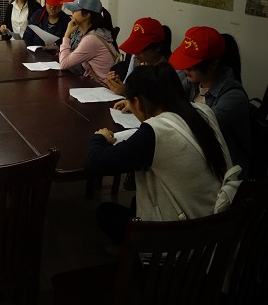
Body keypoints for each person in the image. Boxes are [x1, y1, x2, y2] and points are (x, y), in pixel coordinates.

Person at [87, 62, 232, 243]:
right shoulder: (203, 111)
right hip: (219, 223)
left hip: (182, 240)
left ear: (138, 102)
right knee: (135, 202)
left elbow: (95, 162)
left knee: (105, 213)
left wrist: (99, 138)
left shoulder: (154, 132)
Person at [169, 26, 250, 178]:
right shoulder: (194, 82)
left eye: (192, 64)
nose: (186, 68)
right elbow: (169, 98)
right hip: (197, 156)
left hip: (224, 172)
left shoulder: (234, 97)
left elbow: (198, 125)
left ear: (213, 65)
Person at [59, 0, 119, 84]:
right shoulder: (96, 32)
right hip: (95, 84)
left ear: (87, 15)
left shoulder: (91, 39)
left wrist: (67, 35)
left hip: (103, 88)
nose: (72, 13)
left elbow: (64, 64)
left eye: (75, 10)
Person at [107, 17, 172, 96]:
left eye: (140, 49)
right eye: (134, 47)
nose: (135, 53)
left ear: (157, 47)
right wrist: (118, 84)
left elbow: (154, 100)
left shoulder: (166, 72)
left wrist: (127, 92)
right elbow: (128, 84)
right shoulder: (136, 59)